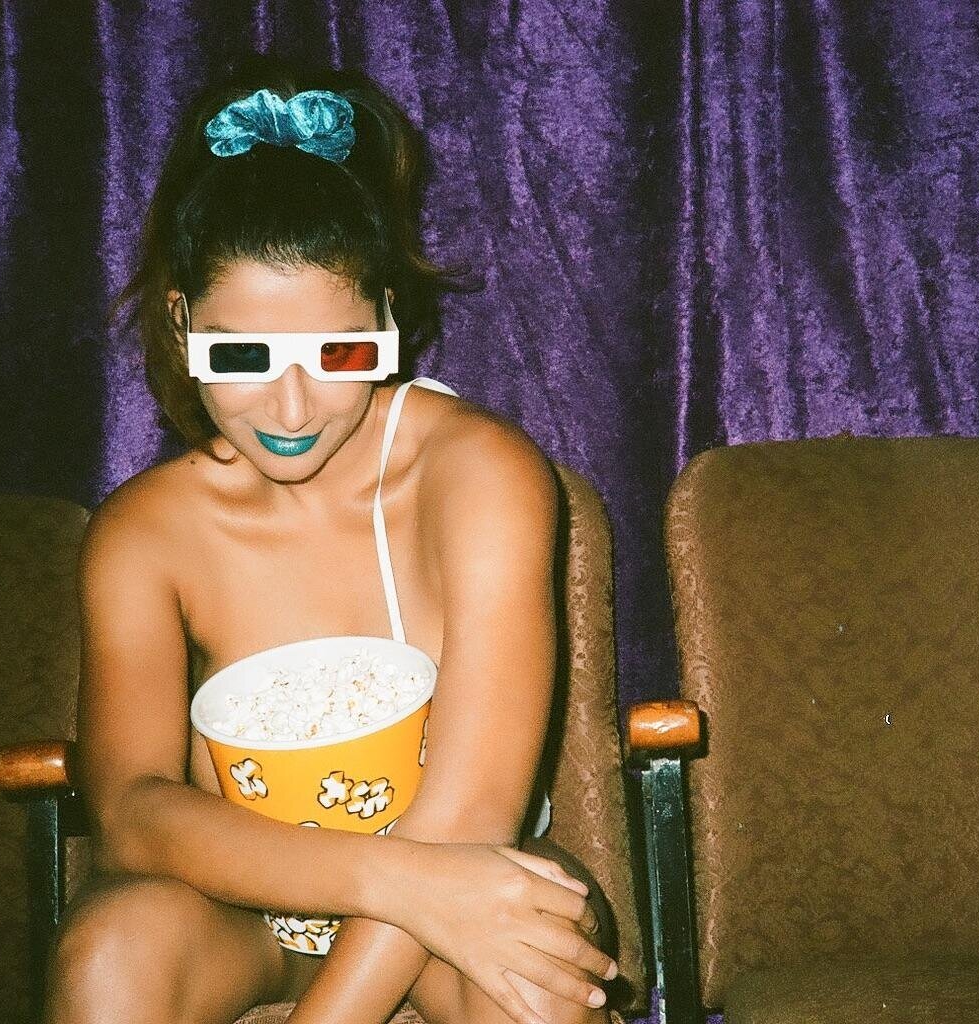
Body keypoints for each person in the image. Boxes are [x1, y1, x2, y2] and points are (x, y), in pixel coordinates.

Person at [44, 52, 622, 1024]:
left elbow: (471, 815)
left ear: (387, 318)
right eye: (242, 354)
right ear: (181, 325)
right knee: (113, 951)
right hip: (246, 910)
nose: (292, 407)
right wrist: (387, 878)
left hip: (456, 886)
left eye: (338, 352)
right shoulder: (143, 531)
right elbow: (132, 811)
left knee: (533, 979)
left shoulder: (477, 471)